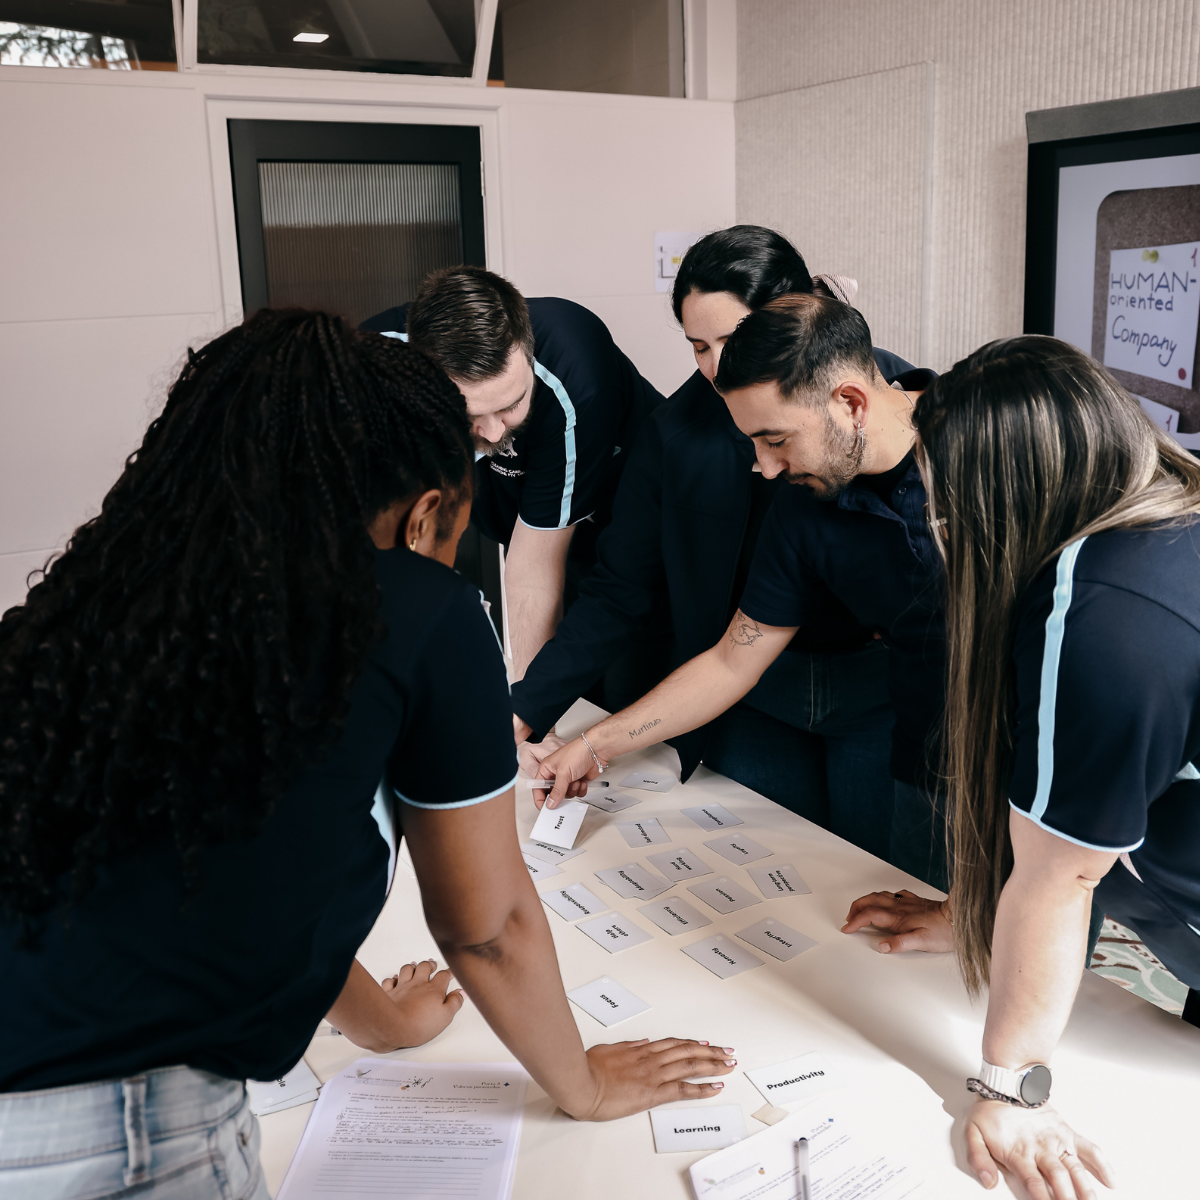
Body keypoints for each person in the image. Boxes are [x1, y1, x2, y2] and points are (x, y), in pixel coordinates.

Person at [0, 311, 733, 1199]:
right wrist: (583, 1084)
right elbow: (486, 925)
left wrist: (383, 1025)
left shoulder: (116, 600)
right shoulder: (418, 606)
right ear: (429, 510)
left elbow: (235, 869)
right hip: (109, 1133)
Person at [843, 336, 1200, 1197]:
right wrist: (979, 914)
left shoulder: (1104, 614)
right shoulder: (1167, 520)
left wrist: (1012, 1088)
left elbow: (1061, 877)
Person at [514, 227, 918, 860]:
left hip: (885, 689)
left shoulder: (899, 413)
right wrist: (536, 713)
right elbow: (631, 594)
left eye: (733, 340)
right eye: (698, 347)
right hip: (750, 687)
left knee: (882, 868)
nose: (717, 366)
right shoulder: (678, 437)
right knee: (774, 869)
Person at [361, 266, 664, 683]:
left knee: (615, 677)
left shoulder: (576, 375)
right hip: (504, 503)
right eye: (467, 414)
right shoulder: (372, 363)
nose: (492, 432)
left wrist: (525, 717)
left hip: (618, 525)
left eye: (510, 404)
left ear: (527, 349)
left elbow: (534, 566)